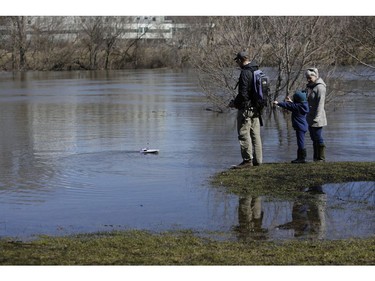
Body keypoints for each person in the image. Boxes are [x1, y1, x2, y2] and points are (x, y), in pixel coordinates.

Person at [229, 51, 263, 169]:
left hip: (246, 109)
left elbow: (243, 94)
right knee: (255, 134)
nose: (237, 63)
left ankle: (247, 161)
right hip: (257, 108)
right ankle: (258, 160)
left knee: (244, 134)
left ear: (241, 59)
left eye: (237, 61)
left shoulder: (245, 73)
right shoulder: (257, 70)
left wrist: (235, 103)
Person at [273, 90, 309, 163]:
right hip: (304, 126)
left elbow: (288, 105)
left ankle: (301, 158)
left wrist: (278, 103)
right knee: (301, 141)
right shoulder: (304, 105)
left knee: (300, 142)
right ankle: (301, 158)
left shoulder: (296, 106)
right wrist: (291, 101)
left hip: (299, 127)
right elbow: (294, 106)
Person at [305, 68, 327, 162]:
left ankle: (321, 158)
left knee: (318, 137)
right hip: (310, 116)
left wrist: (317, 118)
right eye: (307, 78)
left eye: (309, 77)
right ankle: (315, 157)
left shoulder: (320, 87)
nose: (308, 79)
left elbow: (320, 104)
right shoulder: (312, 87)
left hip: (318, 117)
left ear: (315, 76)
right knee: (313, 138)